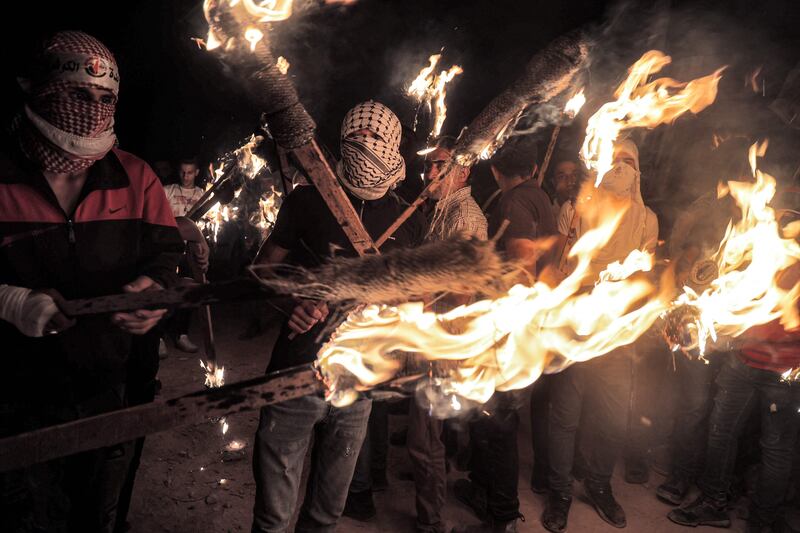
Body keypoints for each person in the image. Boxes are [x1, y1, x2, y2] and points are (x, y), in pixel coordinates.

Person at [0, 31, 183, 532]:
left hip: (110, 385)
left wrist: (153, 293)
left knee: (96, 513)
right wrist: (11, 301)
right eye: (79, 95)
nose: (93, 109)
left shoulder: (135, 176)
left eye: (105, 98)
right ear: (37, 91)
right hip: (15, 395)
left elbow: (168, 255)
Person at [250, 100, 427, 533]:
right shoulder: (309, 201)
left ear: (394, 145)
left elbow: (413, 300)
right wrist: (293, 303)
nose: (364, 145)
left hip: (359, 383)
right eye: (356, 136)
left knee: (327, 514)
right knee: (273, 517)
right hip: (295, 373)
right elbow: (261, 271)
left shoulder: (409, 218)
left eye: (375, 138)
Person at [542, 139, 658, 533]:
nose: (622, 168)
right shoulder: (575, 211)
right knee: (566, 415)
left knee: (612, 417)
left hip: (616, 331)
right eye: (616, 161)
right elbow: (556, 269)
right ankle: (559, 493)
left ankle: (598, 485)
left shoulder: (647, 219)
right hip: (574, 324)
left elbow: (643, 279)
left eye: (630, 160)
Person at [454, 135, 556, 533]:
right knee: (487, 414)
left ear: (496, 171)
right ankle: (482, 492)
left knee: (499, 422)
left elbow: (522, 268)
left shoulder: (514, 202)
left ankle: (503, 516)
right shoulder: (541, 198)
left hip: (509, 327)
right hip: (524, 324)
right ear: (532, 169)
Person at [405, 135, 487, 533]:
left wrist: (420, 282)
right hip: (429, 333)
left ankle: (431, 520)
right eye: (429, 165)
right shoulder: (441, 208)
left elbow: (463, 289)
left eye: (441, 165)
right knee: (427, 432)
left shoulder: (465, 215)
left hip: (444, 337)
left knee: (425, 437)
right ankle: (431, 499)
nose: (431, 172)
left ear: (464, 171)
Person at [163, 157, 205, 353]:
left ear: (196, 172)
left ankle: (181, 334)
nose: (185, 176)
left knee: (188, 291)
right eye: (182, 172)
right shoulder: (167, 191)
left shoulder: (203, 195)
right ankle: (159, 337)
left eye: (190, 172)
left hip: (191, 250)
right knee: (165, 290)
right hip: (168, 248)